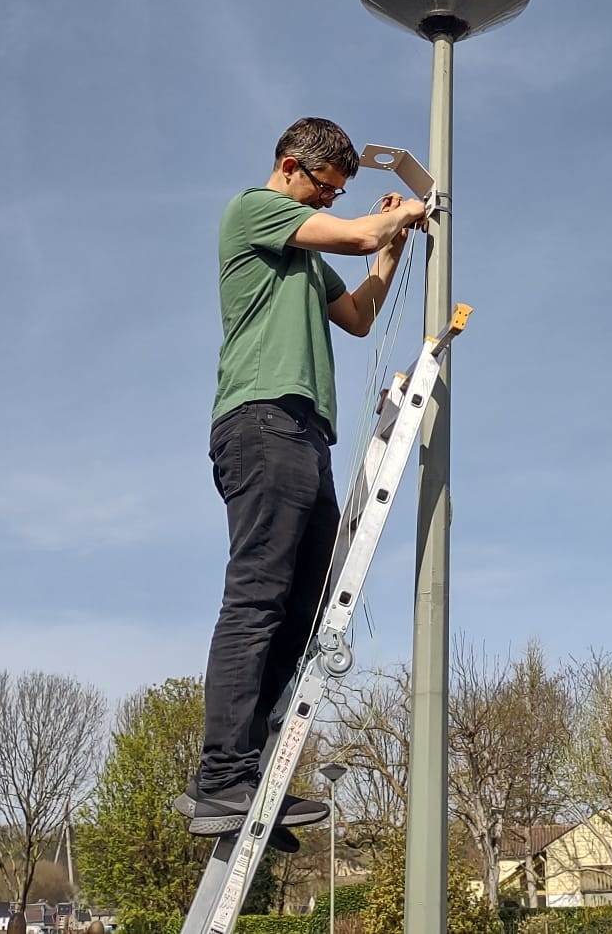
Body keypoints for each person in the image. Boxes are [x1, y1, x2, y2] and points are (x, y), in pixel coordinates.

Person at [174, 117, 427, 844]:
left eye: (337, 195)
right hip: (261, 422)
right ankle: (222, 774)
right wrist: (405, 211)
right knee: (257, 594)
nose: (328, 203)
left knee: (304, 607)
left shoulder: (308, 256)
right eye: (325, 189)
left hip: (306, 436)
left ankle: (241, 772)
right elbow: (349, 234)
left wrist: (390, 249)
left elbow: (354, 316)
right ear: (290, 168)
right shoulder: (252, 211)